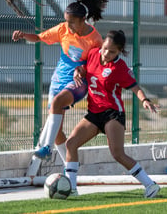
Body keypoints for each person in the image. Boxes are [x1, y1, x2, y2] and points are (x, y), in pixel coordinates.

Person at [65, 30, 161, 198]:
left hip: (112, 114)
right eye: (105, 48)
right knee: (71, 143)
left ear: (120, 51)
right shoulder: (93, 53)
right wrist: (77, 72)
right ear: (102, 45)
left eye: (112, 51)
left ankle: (150, 185)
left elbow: (135, 87)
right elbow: (82, 68)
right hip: (94, 112)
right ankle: (71, 189)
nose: (107, 53)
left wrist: (145, 100)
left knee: (117, 154)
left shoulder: (120, 67)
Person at [12, 0, 108, 163]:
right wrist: (23, 35)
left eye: (72, 22)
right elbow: (39, 37)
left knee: (56, 103)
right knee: (56, 130)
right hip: (58, 79)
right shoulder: (63, 29)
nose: (68, 26)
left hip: (78, 82)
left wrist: (82, 70)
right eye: (66, 21)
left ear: (83, 20)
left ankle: (47, 148)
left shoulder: (95, 39)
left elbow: (95, 65)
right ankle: (70, 168)